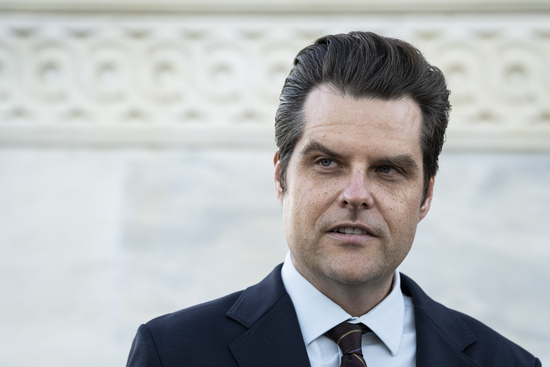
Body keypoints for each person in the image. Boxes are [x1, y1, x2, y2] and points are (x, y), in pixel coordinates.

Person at [126, 31, 541, 366]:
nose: (356, 195)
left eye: (387, 170)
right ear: (280, 177)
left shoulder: (506, 363)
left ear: (426, 195)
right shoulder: (174, 353)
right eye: (327, 162)